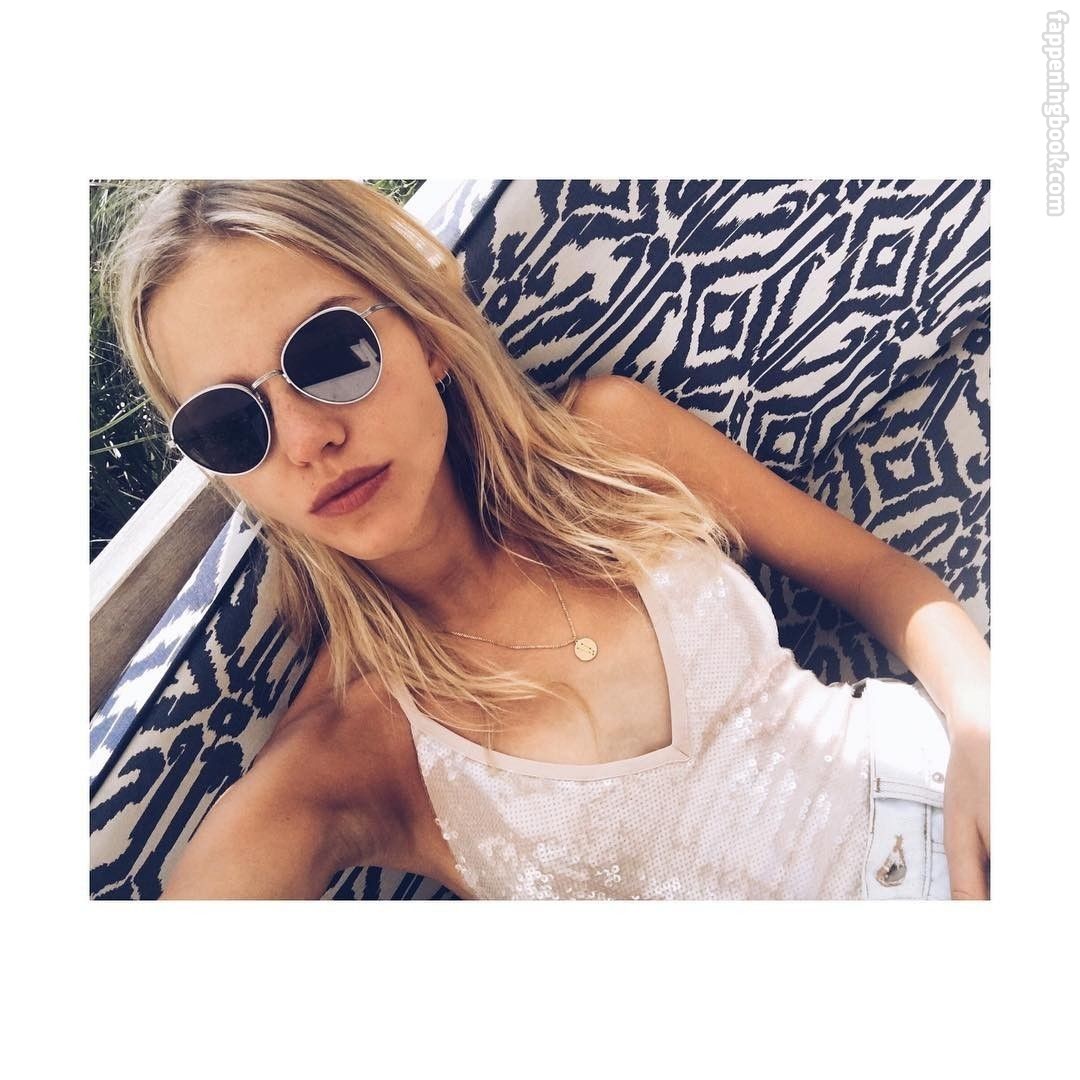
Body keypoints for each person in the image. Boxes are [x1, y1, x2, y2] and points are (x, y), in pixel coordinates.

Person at [102, 179, 991, 901]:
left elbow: (876, 573)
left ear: (427, 335)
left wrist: (986, 720)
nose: (306, 440)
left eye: (330, 354)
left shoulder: (610, 442)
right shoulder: (348, 755)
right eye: (230, 426)